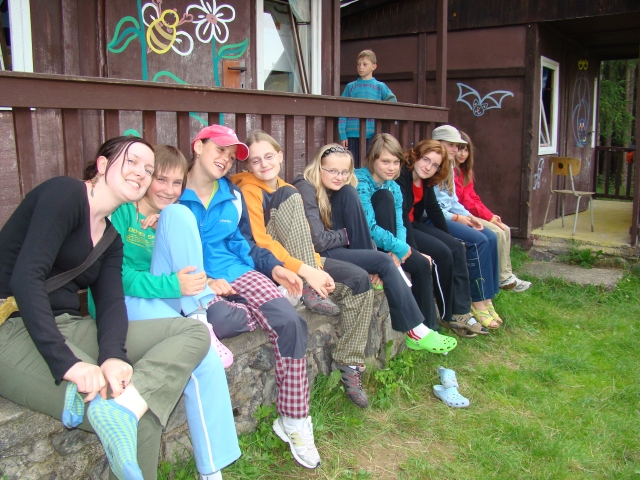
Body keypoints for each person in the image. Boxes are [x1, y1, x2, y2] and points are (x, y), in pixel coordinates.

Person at [0, 136, 211, 480]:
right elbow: (26, 279)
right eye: (132, 161)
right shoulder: (66, 194)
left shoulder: (111, 237)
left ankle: (125, 407)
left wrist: (113, 356)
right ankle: (118, 408)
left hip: (67, 325)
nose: (141, 172)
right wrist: (67, 363)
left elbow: (112, 304)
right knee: (136, 417)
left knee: (192, 334)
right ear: (102, 165)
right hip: (12, 330)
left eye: (148, 169)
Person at [92, 144, 240, 479]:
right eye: (160, 179)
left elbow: (179, 267)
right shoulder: (122, 212)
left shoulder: (167, 216)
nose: (169, 190)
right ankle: (212, 472)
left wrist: (165, 234)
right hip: (120, 304)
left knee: (179, 214)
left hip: (161, 299)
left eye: (177, 183)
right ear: (146, 178)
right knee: (204, 355)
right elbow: (113, 277)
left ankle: (200, 316)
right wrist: (173, 285)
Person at [181, 125, 321, 470]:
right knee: (220, 321)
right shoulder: (172, 190)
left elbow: (246, 243)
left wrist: (275, 268)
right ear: (198, 147)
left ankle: (294, 420)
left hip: (239, 271)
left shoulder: (231, 194)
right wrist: (207, 280)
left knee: (290, 322)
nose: (226, 160)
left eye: (231, 156)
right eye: (220, 150)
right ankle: (261, 306)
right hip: (196, 283)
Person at [233, 130, 375, 409]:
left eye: (269, 156)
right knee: (289, 195)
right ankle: (309, 287)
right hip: (273, 266)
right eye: (255, 160)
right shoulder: (249, 190)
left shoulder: (286, 187)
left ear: (280, 156)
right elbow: (261, 242)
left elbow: (302, 238)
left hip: (303, 261)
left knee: (358, 281)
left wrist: (317, 265)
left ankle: (349, 363)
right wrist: (307, 271)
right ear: (248, 165)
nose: (263, 164)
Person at [291, 142, 449, 346]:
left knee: (349, 192)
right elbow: (318, 241)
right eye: (332, 171)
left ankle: (415, 325)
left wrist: (364, 250)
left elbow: (363, 226)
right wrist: (348, 234)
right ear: (318, 167)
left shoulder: (341, 188)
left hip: (337, 248)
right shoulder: (306, 186)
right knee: (384, 261)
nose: (339, 177)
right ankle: (415, 330)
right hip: (317, 256)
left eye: (344, 172)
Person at [354, 133, 457, 354]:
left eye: (396, 162)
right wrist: (398, 248)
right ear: (372, 159)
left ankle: (427, 330)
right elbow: (369, 226)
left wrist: (400, 248)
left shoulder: (394, 185)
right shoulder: (360, 181)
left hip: (390, 245)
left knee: (421, 264)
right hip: (364, 244)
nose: (391, 168)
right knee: (384, 197)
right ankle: (417, 329)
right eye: (385, 161)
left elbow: (400, 222)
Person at [397, 139, 488, 338]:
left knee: (456, 247)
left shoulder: (425, 180)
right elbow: (401, 216)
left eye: (435, 165)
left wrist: (448, 238)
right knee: (443, 253)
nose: (428, 167)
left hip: (414, 224)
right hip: (401, 228)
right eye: (426, 160)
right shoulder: (403, 175)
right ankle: (448, 314)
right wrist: (414, 250)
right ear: (416, 156)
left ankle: (461, 310)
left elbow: (433, 209)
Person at [431, 125, 502, 330]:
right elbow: (432, 208)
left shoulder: (449, 167)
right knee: (477, 241)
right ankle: (477, 301)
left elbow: (453, 200)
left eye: (457, 145)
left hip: (452, 215)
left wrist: (469, 216)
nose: (455, 149)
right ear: (438, 143)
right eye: (451, 145)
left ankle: (488, 298)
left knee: (491, 237)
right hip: (438, 219)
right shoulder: (432, 167)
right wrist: (457, 218)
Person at [455, 131, 531, 292]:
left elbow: (473, 197)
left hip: (469, 212)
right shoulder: (452, 172)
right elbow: (465, 200)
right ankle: (503, 278)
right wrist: (488, 217)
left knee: (505, 229)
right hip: (461, 214)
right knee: (496, 232)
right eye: (459, 149)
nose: (462, 154)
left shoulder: (465, 171)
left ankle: (505, 275)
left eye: (466, 150)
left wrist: (490, 215)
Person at [338, 49, 397, 167]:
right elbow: (342, 110)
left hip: (371, 133)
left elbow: (392, 101)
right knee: (351, 164)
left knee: (370, 163)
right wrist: (342, 135)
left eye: (365, 64)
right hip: (351, 133)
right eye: (358, 64)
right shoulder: (350, 87)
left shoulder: (379, 86)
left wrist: (382, 112)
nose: (361, 67)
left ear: (374, 66)